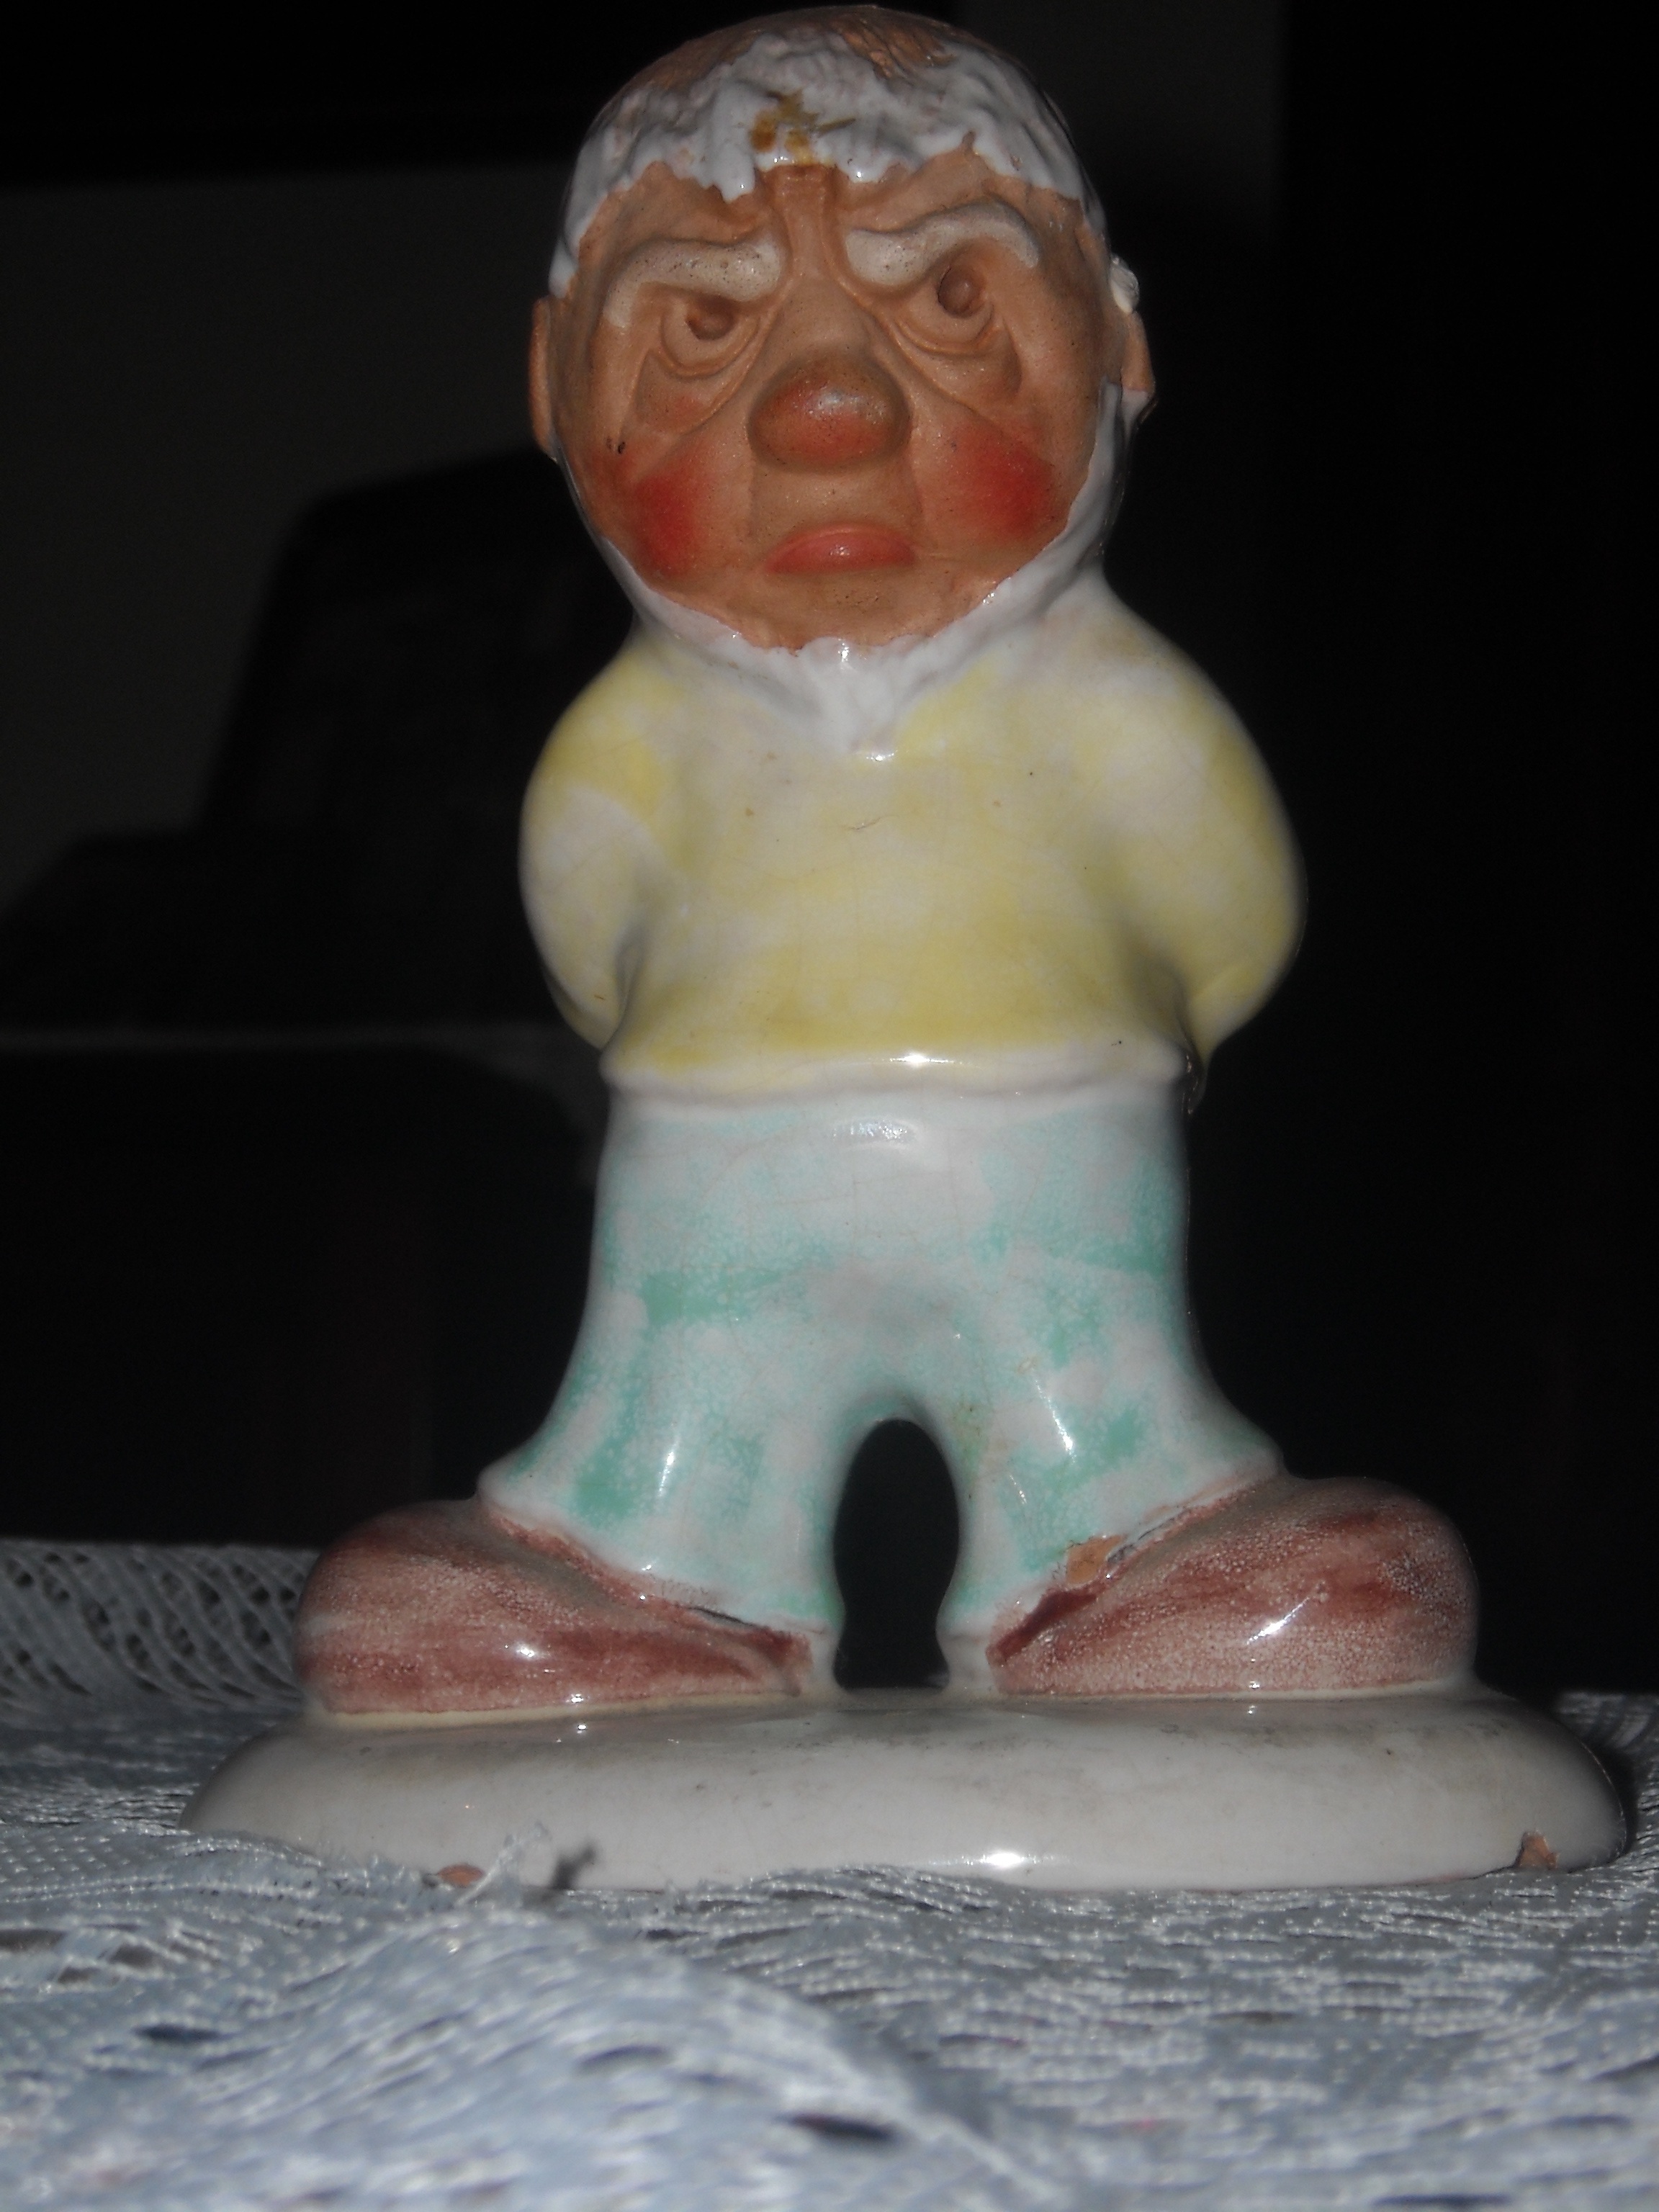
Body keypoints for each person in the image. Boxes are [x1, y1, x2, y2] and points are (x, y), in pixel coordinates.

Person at [295, 8, 1474, 1716]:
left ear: (1119, 344)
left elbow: (1231, 928)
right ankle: (654, 1574)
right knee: (667, 1411)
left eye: (948, 300)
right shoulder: (638, 743)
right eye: (704, 325)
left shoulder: (1111, 710)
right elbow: (592, 938)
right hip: (713, 1184)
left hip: (1055, 1167)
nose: (829, 411)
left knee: (1128, 1428)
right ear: (556, 389)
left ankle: (1130, 1556)